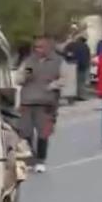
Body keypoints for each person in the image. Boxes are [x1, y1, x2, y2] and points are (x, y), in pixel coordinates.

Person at [16, 36, 64, 173]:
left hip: (46, 103)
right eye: (36, 47)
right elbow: (19, 78)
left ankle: (41, 160)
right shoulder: (29, 62)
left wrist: (54, 85)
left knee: (43, 134)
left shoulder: (58, 62)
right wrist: (25, 76)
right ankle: (31, 159)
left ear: (48, 47)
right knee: (26, 132)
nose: (38, 50)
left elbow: (67, 79)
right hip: (27, 102)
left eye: (41, 47)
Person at [63, 36, 91, 101]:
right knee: (81, 81)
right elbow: (88, 56)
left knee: (72, 81)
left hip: (72, 64)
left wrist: (68, 58)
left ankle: (72, 96)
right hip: (83, 65)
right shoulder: (86, 46)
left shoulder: (71, 45)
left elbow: (65, 52)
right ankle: (81, 95)